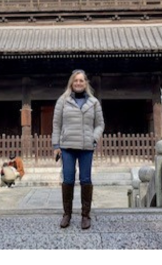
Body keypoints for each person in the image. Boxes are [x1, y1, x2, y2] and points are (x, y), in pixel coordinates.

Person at [52, 69, 104, 229]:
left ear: (86, 83)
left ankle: (85, 215)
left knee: (85, 179)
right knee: (67, 179)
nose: (79, 83)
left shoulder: (94, 102)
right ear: (71, 83)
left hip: (86, 147)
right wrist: (56, 145)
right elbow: (56, 124)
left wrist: (93, 138)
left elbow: (100, 124)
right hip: (67, 146)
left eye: (81, 80)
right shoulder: (63, 101)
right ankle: (67, 214)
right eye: (76, 80)